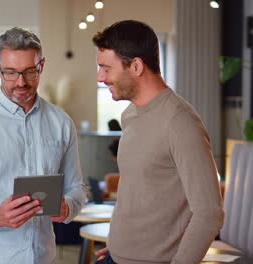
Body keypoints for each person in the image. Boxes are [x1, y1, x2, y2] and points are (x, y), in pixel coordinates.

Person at [0, 27, 86, 264]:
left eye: (29, 71)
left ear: (41, 65)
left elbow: (77, 187)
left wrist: (69, 207)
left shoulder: (61, 123)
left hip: (43, 257)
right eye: (10, 72)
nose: (20, 82)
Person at [92, 20, 224, 264]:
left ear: (136, 66)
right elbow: (137, 192)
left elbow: (209, 214)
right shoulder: (130, 115)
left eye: (106, 68)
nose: (100, 77)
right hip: (116, 257)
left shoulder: (180, 123)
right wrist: (117, 245)